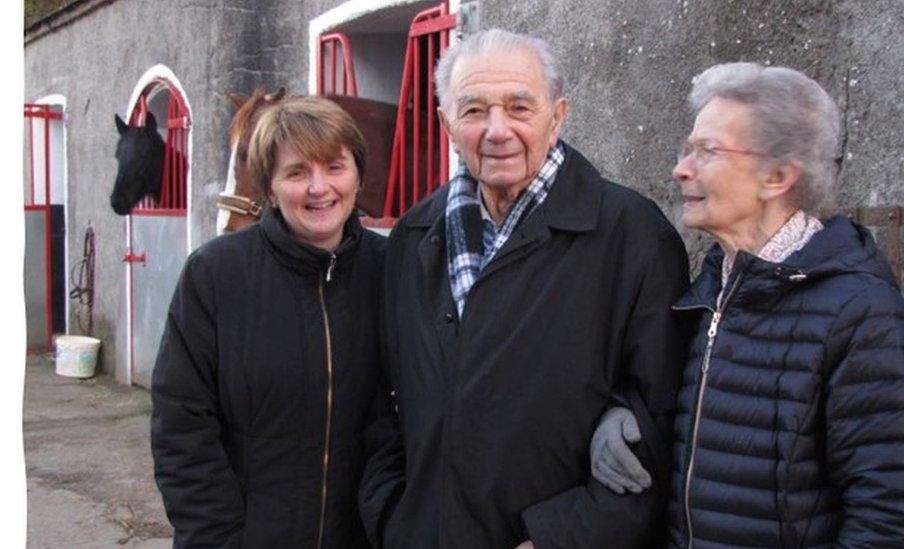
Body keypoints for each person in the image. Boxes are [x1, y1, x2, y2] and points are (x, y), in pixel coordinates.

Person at [590, 62, 904, 547]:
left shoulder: (860, 315)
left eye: (708, 151)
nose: (681, 168)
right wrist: (621, 411)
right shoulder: (712, 292)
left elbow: (899, 521)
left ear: (777, 177)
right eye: (687, 148)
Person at [358, 29, 690, 548]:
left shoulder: (632, 235)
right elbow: (385, 401)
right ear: (447, 125)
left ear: (558, 116)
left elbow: (661, 417)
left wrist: (561, 538)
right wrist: (393, 516)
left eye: (519, 108)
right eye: (473, 111)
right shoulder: (415, 235)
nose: (497, 130)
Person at [151, 95, 384, 547]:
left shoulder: (392, 270)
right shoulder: (216, 274)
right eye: (297, 172)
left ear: (357, 176)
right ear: (270, 186)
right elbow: (181, 425)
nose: (320, 188)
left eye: (335, 167)